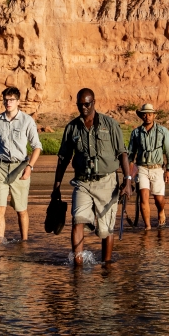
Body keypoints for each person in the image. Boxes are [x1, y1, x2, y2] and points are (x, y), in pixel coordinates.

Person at [52, 88, 134, 265]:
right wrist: (56, 188)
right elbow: (63, 159)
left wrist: (128, 181)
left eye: (87, 104)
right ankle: (78, 266)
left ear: (94, 102)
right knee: (77, 221)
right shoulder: (72, 128)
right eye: (80, 105)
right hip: (82, 183)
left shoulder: (110, 125)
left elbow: (123, 154)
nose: (83, 108)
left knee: (106, 230)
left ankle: (106, 267)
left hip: (107, 183)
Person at [0, 86, 42, 241]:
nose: (8, 103)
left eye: (12, 100)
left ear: (18, 101)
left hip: (20, 168)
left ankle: (24, 242)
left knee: (21, 209)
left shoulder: (27, 120)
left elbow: (37, 146)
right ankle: (0, 243)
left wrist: (30, 167)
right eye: (6, 100)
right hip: (0, 167)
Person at [128, 103, 169, 229]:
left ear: (154, 115)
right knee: (144, 197)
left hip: (158, 168)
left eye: (150, 114)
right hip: (142, 168)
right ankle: (148, 227)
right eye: (145, 114)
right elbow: (131, 154)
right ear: (141, 116)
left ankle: (161, 211)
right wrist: (129, 173)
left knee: (158, 199)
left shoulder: (163, 131)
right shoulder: (136, 133)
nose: (147, 117)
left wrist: (168, 170)